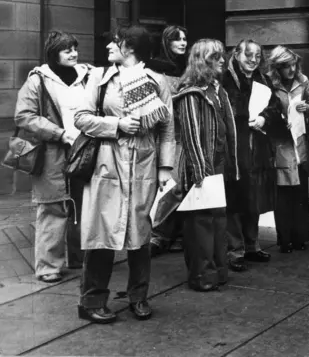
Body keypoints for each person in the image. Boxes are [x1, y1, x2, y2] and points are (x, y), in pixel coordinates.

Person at [73, 25, 175, 324]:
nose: (109, 47)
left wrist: (165, 169)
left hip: (144, 165)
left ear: (129, 47)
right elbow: (81, 118)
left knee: (140, 238)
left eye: (115, 42)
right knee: (101, 235)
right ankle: (91, 300)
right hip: (107, 164)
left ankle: (138, 297)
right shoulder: (99, 78)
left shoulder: (157, 81)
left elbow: (168, 128)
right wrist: (116, 125)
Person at [14, 31, 91, 283]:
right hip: (52, 152)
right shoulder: (38, 80)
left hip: (84, 148)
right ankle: (48, 267)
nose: (73, 53)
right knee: (52, 206)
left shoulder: (87, 75)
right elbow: (24, 116)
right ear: (53, 53)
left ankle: (79, 258)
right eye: (66, 49)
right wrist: (59, 133)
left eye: (74, 48)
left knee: (81, 203)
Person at [172, 39, 237, 292]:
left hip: (217, 162)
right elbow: (190, 135)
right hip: (201, 165)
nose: (223, 60)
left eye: (222, 56)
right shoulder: (190, 91)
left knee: (218, 220)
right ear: (203, 61)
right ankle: (202, 275)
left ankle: (218, 271)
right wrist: (201, 171)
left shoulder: (216, 88)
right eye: (216, 57)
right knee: (201, 222)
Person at [222, 39, 279, 272]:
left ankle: (252, 245)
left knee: (253, 195)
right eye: (248, 56)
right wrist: (246, 116)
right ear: (236, 54)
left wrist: (265, 116)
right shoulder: (225, 79)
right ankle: (235, 250)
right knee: (235, 198)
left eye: (257, 56)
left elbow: (275, 105)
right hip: (235, 146)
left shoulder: (263, 79)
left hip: (258, 145)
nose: (254, 60)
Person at [268, 46, 309, 254]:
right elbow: (265, 111)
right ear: (277, 67)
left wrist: (308, 108)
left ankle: (301, 237)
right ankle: (284, 239)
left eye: (294, 65)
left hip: (300, 142)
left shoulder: (303, 80)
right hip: (281, 144)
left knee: (301, 193)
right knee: (284, 194)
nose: (291, 69)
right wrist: (279, 121)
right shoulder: (269, 83)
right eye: (286, 66)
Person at [148, 25, 188, 257]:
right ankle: (157, 233)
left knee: (180, 186)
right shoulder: (156, 68)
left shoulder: (188, 68)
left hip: (184, 135)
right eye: (177, 39)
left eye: (184, 39)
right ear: (167, 42)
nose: (182, 43)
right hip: (166, 135)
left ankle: (171, 234)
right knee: (170, 186)